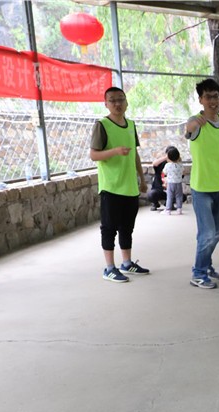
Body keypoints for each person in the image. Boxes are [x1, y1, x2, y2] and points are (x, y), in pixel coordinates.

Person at [183, 78, 219, 290]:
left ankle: (206, 265)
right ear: (201, 100)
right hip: (201, 188)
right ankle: (198, 274)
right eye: (208, 97)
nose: (213, 101)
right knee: (206, 234)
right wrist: (191, 127)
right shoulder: (196, 121)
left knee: (216, 233)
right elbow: (188, 131)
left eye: (216, 96)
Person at [90, 86, 149, 283]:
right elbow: (94, 155)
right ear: (106, 104)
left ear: (126, 102)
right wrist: (114, 151)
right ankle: (109, 268)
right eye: (113, 100)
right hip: (111, 187)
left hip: (130, 186)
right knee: (109, 228)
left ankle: (127, 262)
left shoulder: (131, 124)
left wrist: (142, 179)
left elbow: (135, 154)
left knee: (127, 227)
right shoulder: (102, 125)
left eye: (121, 99)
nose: (117, 104)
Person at [163, 146, 185, 215]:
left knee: (169, 196)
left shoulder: (167, 165)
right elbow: (183, 172)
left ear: (168, 157)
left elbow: (164, 172)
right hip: (178, 183)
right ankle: (179, 209)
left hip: (170, 183)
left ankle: (168, 210)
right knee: (179, 196)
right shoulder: (180, 165)